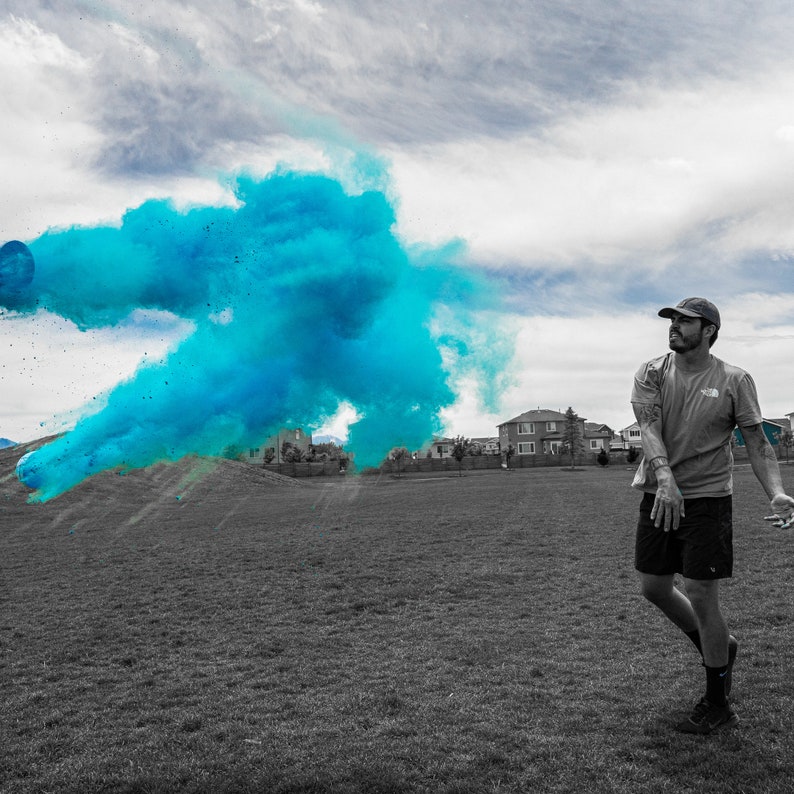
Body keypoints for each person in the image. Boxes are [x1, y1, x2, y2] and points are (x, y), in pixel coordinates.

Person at [631, 297, 794, 734]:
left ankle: (718, 702)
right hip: (659, 493)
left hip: (707, 500)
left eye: (686, 322)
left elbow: (758, 442)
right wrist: (664, 479)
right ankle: (719, 645)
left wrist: (777, 493)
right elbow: (648, 427)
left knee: (702, 595)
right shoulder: (651, 372)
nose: (675, 327)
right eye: (673, 320)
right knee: (654, 588)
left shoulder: (734, 379)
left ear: (708, 331)